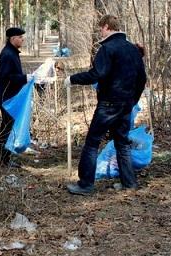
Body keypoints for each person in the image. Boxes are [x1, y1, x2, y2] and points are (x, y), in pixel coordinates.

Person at [63, 14, 147, 195]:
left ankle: (85, 184)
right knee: (122, 143)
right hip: (126, 104)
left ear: (107, 27)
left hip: (109, 104)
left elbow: (96, 74)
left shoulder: (107, 49)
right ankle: (129, 183)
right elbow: (142, 79)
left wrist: (72, 79)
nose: (100, 32)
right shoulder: (133, 50)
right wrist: (133, 100)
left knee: (92, 143)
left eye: (101, 28)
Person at [0, 27, 33, 168]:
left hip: (10, 97)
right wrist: (25, 78)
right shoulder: (8, 54)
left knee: (7, 125)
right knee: (8, 128)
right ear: (12, 39)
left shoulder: (12, 52)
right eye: (20, 37)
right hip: (7, 98)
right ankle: (4, 160)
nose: (22, 39)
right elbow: (6, 76)